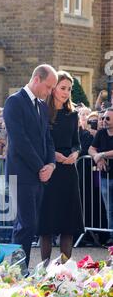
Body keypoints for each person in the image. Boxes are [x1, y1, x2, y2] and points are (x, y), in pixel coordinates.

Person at [3, 64, 58, 268]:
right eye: (49, 86)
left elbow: (47, 139)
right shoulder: (14, 102)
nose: (50, 92)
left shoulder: (42, 106)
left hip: (39, 173)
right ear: (36, 79)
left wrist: (50, 164)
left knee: (30, 224)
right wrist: (40, 167)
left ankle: (17, 267)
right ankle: (18, 269)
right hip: (21, 172)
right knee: (26, 223)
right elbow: (19, 140)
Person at [37, 71, 84, 260]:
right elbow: (38, 141)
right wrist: (52, 155)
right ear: (53, 88)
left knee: (68, 224)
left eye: (69, 89)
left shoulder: (72, 115)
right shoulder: (42, 112)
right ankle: (45, 268)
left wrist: (75, 153)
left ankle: (66, 270)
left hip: (68, 172)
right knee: (46, 224)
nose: (66, 92)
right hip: (49, 172)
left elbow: (77, 142)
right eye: (62, 88)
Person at [89, 107, 113, 245]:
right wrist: (97, 158)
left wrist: (102, 154)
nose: (104, 121)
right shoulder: (101, 133)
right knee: (109, 209)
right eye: (103, 118)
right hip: (105, 177)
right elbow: (91, 149)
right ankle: (111, 236)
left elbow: (99, 152)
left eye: (108, 118)